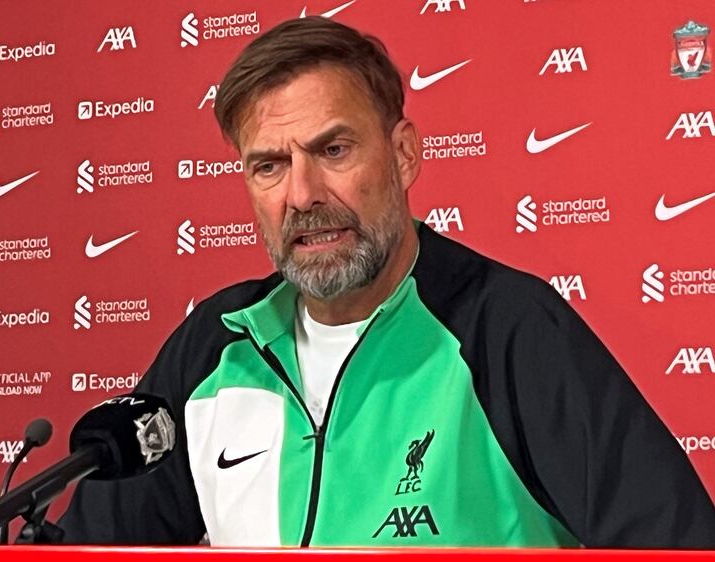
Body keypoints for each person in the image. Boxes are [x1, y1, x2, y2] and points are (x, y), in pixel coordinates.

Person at [59, 17, 715, 547]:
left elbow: (674, 544)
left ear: (403, 155)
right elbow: (98, 546)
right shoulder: (215, 346)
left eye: (333, 151)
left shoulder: (506, 328)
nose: (303, 194)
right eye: (269, 166)